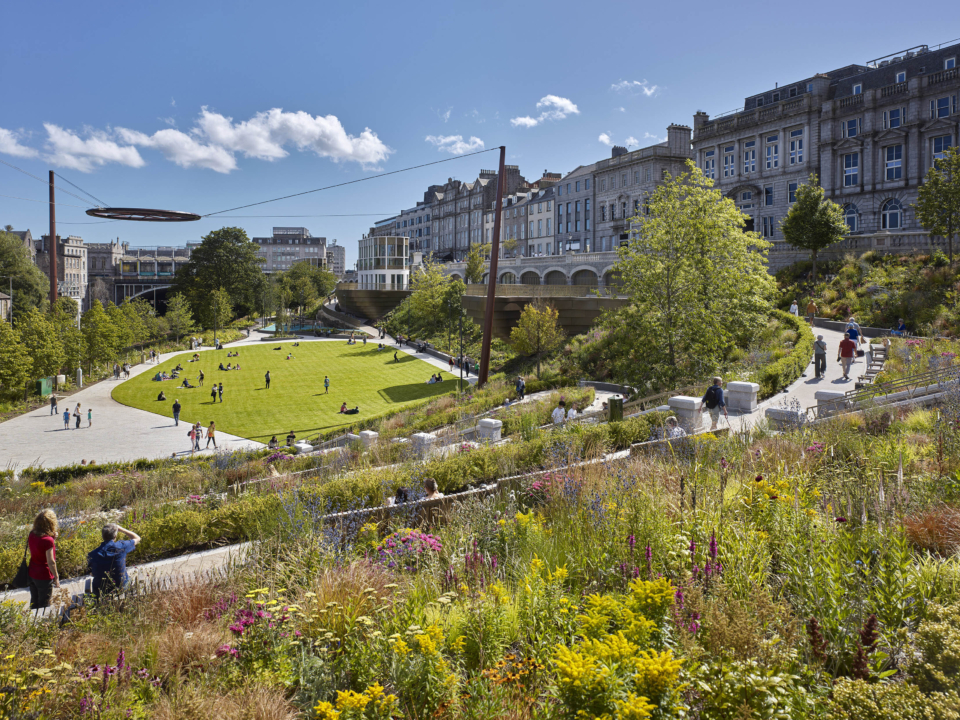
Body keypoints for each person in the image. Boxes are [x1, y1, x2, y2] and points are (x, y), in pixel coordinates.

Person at [87, 523, 140, 599]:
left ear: (102, 536)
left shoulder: (92, 554)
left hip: (101, 591)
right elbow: (137, 538)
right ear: (115, 536)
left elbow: (91, 573)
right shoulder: (122, 546)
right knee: (128, 579)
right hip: (121, 587)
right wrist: (120, 528)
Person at [27, 509, 60, 610]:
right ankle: (42, 623)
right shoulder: (48, 540)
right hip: (44, 575)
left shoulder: (32, 534)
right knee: (44, 604)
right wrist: (56, 577)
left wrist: (52, 539)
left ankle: (31, 622)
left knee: (34, 601)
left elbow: (37, 548)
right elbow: (51, 562)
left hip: (32, 572)